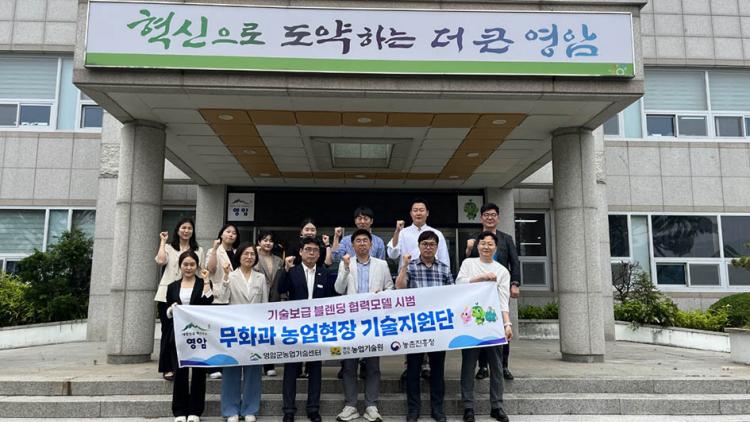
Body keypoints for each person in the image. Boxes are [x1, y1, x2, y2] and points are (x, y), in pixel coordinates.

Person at [333, 229, 393, 422]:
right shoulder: (346, 263)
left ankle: (371, 405)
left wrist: (380, 295)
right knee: (349, 365)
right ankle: (350, 405)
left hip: (373, 322)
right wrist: (345, 268)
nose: (361, 243)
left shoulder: (382, 264)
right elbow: (338, 289)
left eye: (365, 240)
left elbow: (390, 288)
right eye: (357, 241)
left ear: (371, 244)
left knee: (373, 365)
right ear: (352, 245)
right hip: (351, 322)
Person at [388, 199, 449, 381]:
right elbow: (392, 253)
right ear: (411, 213)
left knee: (431, 325)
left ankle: (427, 365)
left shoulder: (437, 233)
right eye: (415, 210)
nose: (418, 213)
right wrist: (397, 231)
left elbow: (444, 260)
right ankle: (410, 365)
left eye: (421, 210)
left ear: (427, 213)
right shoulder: (404, 232)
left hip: (433, 285)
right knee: (412, 327)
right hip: (410, 284)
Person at [277, 237, 338, 422]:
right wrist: (286, 270)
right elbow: (281, 289)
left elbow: (331, 299)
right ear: (301, 252)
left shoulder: (325, 273)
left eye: (315, 250)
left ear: (319, 254)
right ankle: (288, 409)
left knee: (315, 369)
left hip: (317, 328)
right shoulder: (292, 271)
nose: (311, 253)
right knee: (291, 369)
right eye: (308, 249)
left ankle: (313, 408)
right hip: (295, 328)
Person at [395, 231, 454, 422]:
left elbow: (453, 296)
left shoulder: (444, 269)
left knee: (437, 371)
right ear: (419, 246)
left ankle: (438, 409)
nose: (428, 247)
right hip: (415, 327)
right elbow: (399, 288)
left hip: (437, 328)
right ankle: (413, 410)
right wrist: (404, 266)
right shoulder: (411, 266)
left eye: (432, 244)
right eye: (424, 244)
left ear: (437, 247)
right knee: (413, 371)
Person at [456, 231, 513, 422]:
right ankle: (468, 407)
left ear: (496, 247)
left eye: (490, 244)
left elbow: (503, 300)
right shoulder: (468, 264)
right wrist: (481, 278)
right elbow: (459, 283)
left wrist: (507, 324)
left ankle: (497, 406)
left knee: (496, 366)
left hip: (493, 324)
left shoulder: (502, 271)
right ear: (477, 246)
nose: (486, 247)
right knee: (468, 365)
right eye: (483, 243)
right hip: (470, 324)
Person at [465, 203, 520, 381]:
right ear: (481, 218)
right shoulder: (475, 239)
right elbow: (469, 264)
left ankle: (503, 365)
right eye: (486, 215)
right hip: (480, 294)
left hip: (500, 289)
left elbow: (514, 262)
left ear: (498, 218)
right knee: (482, 326)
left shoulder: (506, 239)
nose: (490, 218)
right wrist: (469, 249)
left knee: (504, 326)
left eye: (493, 215)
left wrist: (515, 284)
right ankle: (483, 367)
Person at [215, 242, 268, 422]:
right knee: (231, 369)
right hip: (234, 329)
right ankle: (230, 410)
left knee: (253, 370)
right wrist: (225, 277)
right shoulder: (230, 275)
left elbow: (265, 305)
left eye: (252, 254)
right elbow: (222, 299)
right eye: (246, 253)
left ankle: (250, 409)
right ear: (239, 256)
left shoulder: (260, 278)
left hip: (254, 330)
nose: (249, 257)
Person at [331, 206, 385, 380]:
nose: (362, 221)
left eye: (366, 218)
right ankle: (346, 365)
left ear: (371, 221)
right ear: (355, 221)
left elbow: (381, 266)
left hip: (371, 298)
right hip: (351, 296)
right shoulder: (347, 240)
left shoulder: (378, 241)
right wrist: (336, 238)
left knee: (370, 334)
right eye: (359, 218)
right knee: (349, 335)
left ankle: (366, 365)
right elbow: (335, 257)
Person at [165, 251, 214, 422]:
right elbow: (166, 312)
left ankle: (195, 411)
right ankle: (179, 411)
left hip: (199, 334)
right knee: (180, 372)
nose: (188, 267)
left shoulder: (203, 283)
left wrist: (206, 280)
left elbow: (208, 301)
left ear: (197, 266)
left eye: (192, 264)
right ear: (180, 266)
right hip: (179, 335)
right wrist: (171, 309)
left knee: (199, 372)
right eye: (185, 264)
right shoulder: (172, 286)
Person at [154, 218, 204, 381]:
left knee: (190, 331)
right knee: (168, 331)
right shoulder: (169, 247)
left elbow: (200, 271)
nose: (186, 231)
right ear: (177, 230)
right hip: (167, 294)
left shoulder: (198, 250)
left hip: (189, 294)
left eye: (189, 228)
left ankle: (189, 363)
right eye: (183, 228)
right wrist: (163, 241)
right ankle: (168, 367)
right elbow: (160, 261)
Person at [206, 223, 241, 380]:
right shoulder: (213, 251)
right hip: (218, 296)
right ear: (221, 234)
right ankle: (213, 366)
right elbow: (211, 269)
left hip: (235, 296)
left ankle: (227, 364)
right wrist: (214, 249)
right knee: (215, 333)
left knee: (229, 334)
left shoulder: (238, 252)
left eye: (234, 233)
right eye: (228, 231)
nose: (231, 234)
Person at [255, 230, 284, 377]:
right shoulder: (253, 257)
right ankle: (255, 363)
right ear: (259, 242)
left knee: (270, 335)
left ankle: (269, 365)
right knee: (256, 334)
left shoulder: (278, 260)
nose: (268, 243)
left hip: (274, 300)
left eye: (270, 241)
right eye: (265, 240)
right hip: (257, 300)